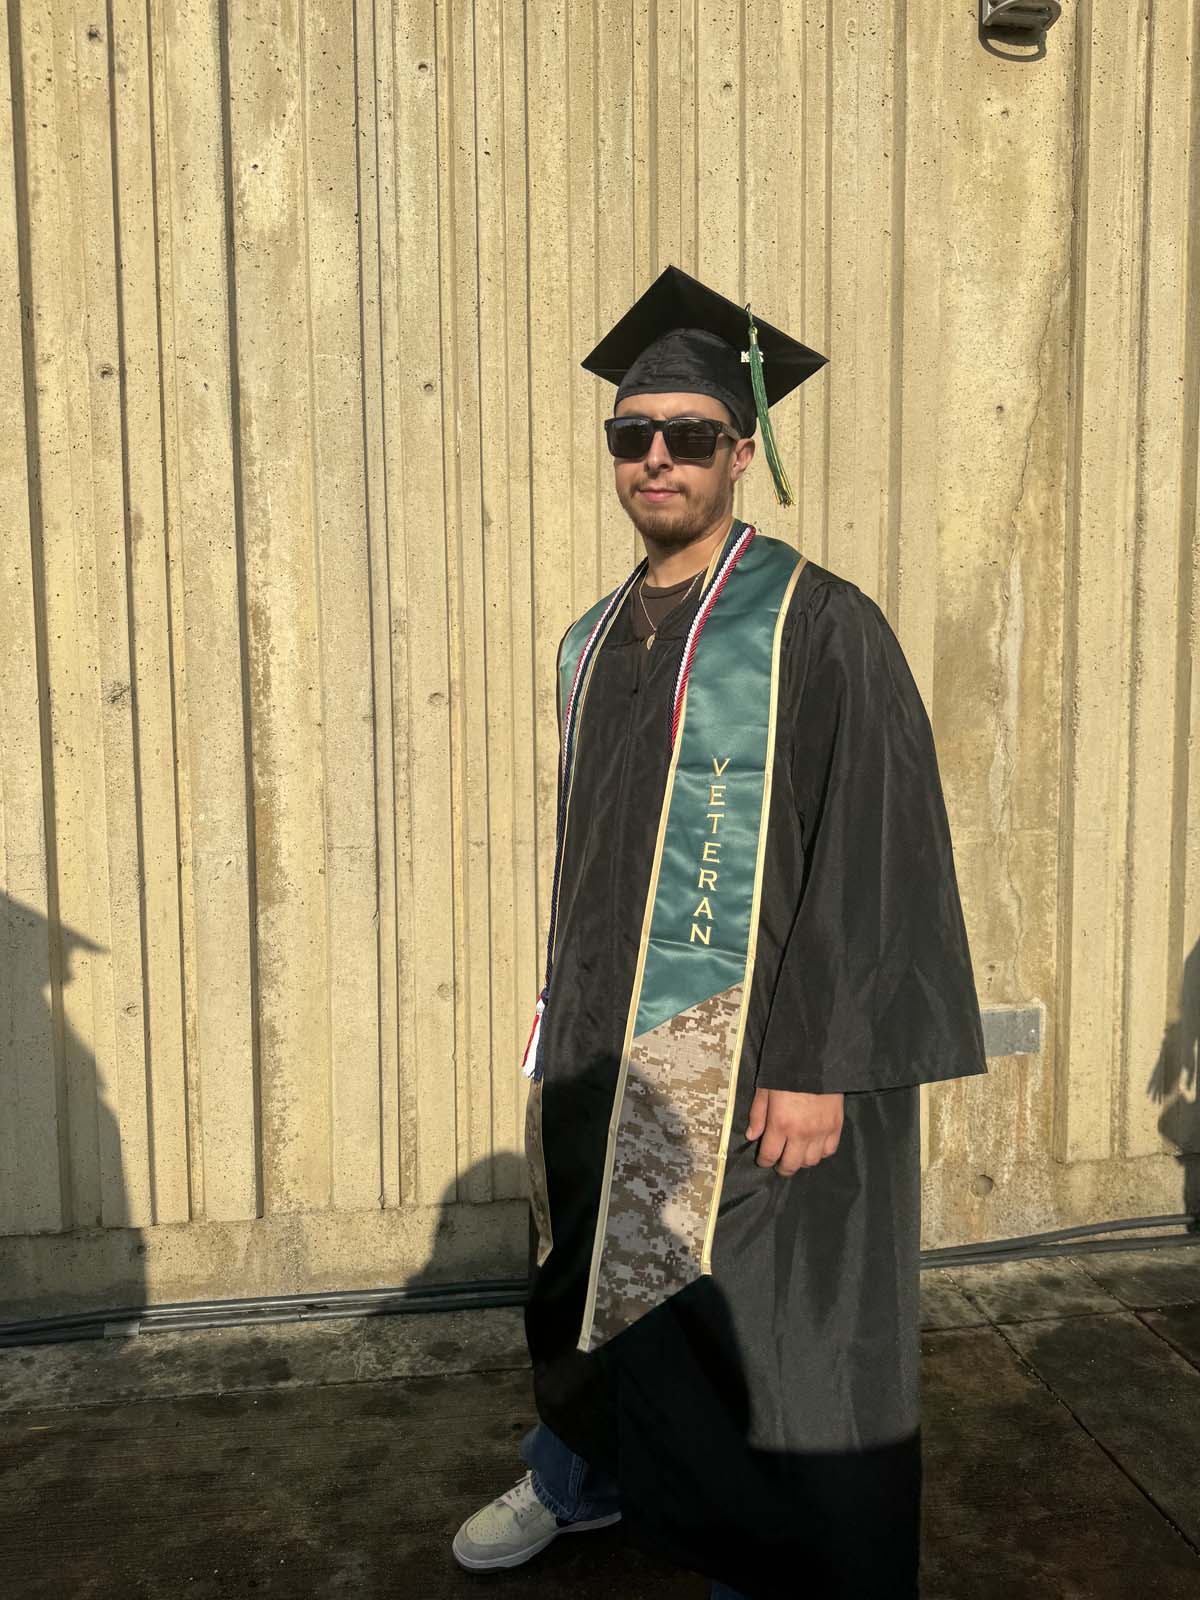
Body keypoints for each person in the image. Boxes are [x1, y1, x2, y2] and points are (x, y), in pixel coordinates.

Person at [452, 265, 988, 1599]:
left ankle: (772, 1561)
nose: (656, 460)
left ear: (741, 453)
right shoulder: (594, 642)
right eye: (633, 437)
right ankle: (582, 1476)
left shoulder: (817, 625)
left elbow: (875, 852)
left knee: (761, 1337)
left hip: (754, 1059)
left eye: (689, 436)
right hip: (606, 1048)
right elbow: (595, 861)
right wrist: (555, 1010)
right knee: (592, 1282)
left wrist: (820, 1060)